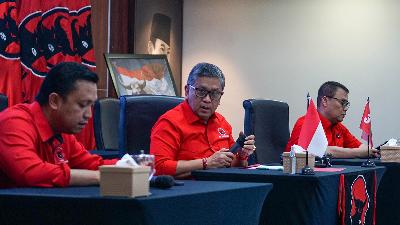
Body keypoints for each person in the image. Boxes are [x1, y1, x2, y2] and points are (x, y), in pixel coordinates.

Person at [0, 62, 117, 188]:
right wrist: (98, 177)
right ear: (54, 101)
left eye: (91, 106)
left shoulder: (61, 128)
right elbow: (31, 173)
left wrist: (134, 165)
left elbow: (94, 164)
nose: (89, 114)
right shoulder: (13, 122)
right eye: (83, 105)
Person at [150, 62, 256, 178]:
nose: (207, 99)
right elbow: (158, 167)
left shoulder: (222, 123)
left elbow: (230, 166)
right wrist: (205, 163)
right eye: (201, 91)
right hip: (188, 190)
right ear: (187, 91)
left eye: (215, 94)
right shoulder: (169, 122)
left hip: (221, 187)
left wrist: (241, 155)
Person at [285, 81, 378, 158]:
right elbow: (319, 151)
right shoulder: (305, 123)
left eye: (347, 104)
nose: (345, 108)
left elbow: (361, 148)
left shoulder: (339, 127)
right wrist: (358, 152)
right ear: (325, 101)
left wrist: (372, 151)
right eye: (343, 102)